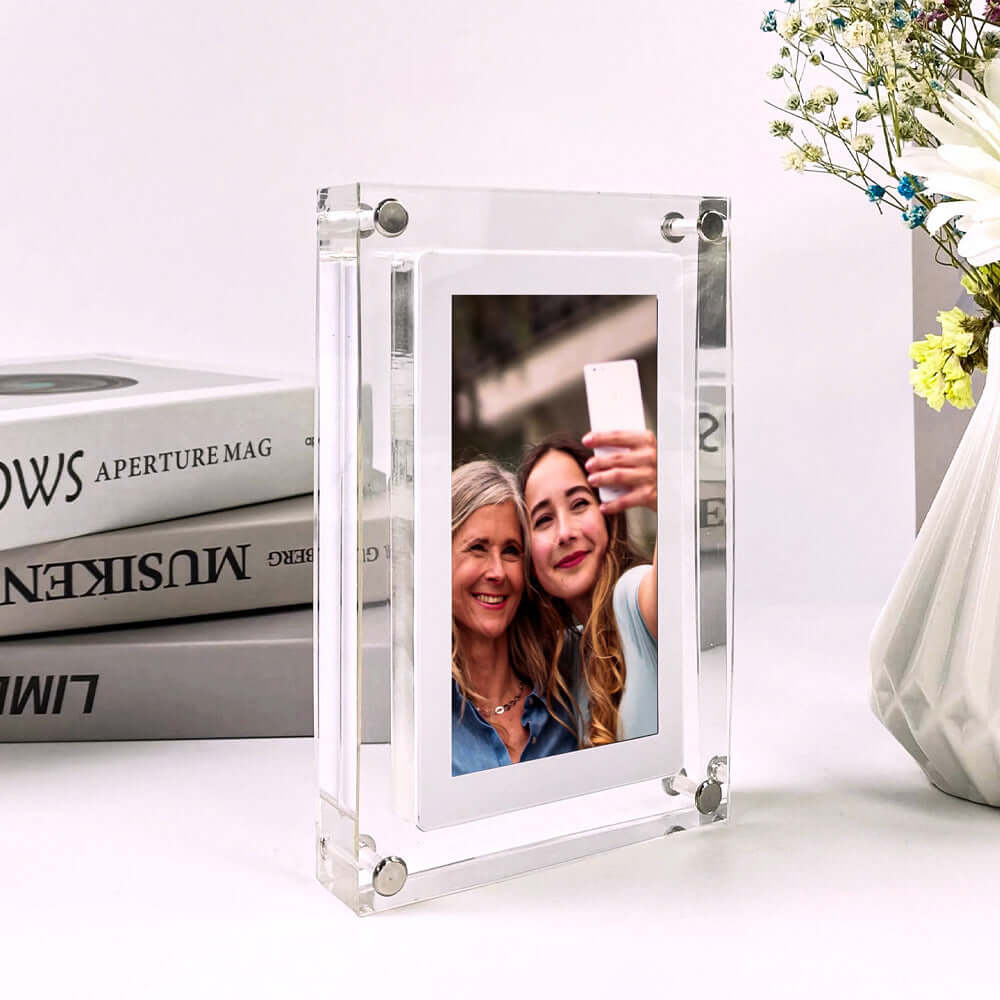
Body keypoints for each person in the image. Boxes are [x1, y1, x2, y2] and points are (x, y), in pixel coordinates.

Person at [518, 430, 658, 746]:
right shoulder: (563, 656)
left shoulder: (633, 597)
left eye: (579, 503)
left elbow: (680, 590)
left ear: (606, 515)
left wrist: (668, 491)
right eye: (543, 520)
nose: (565, 533)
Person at [451, 460, 578, 776]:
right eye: (478, 548)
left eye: (510, 551)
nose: (496, 572)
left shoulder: (566, 697)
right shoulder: (416, 713)